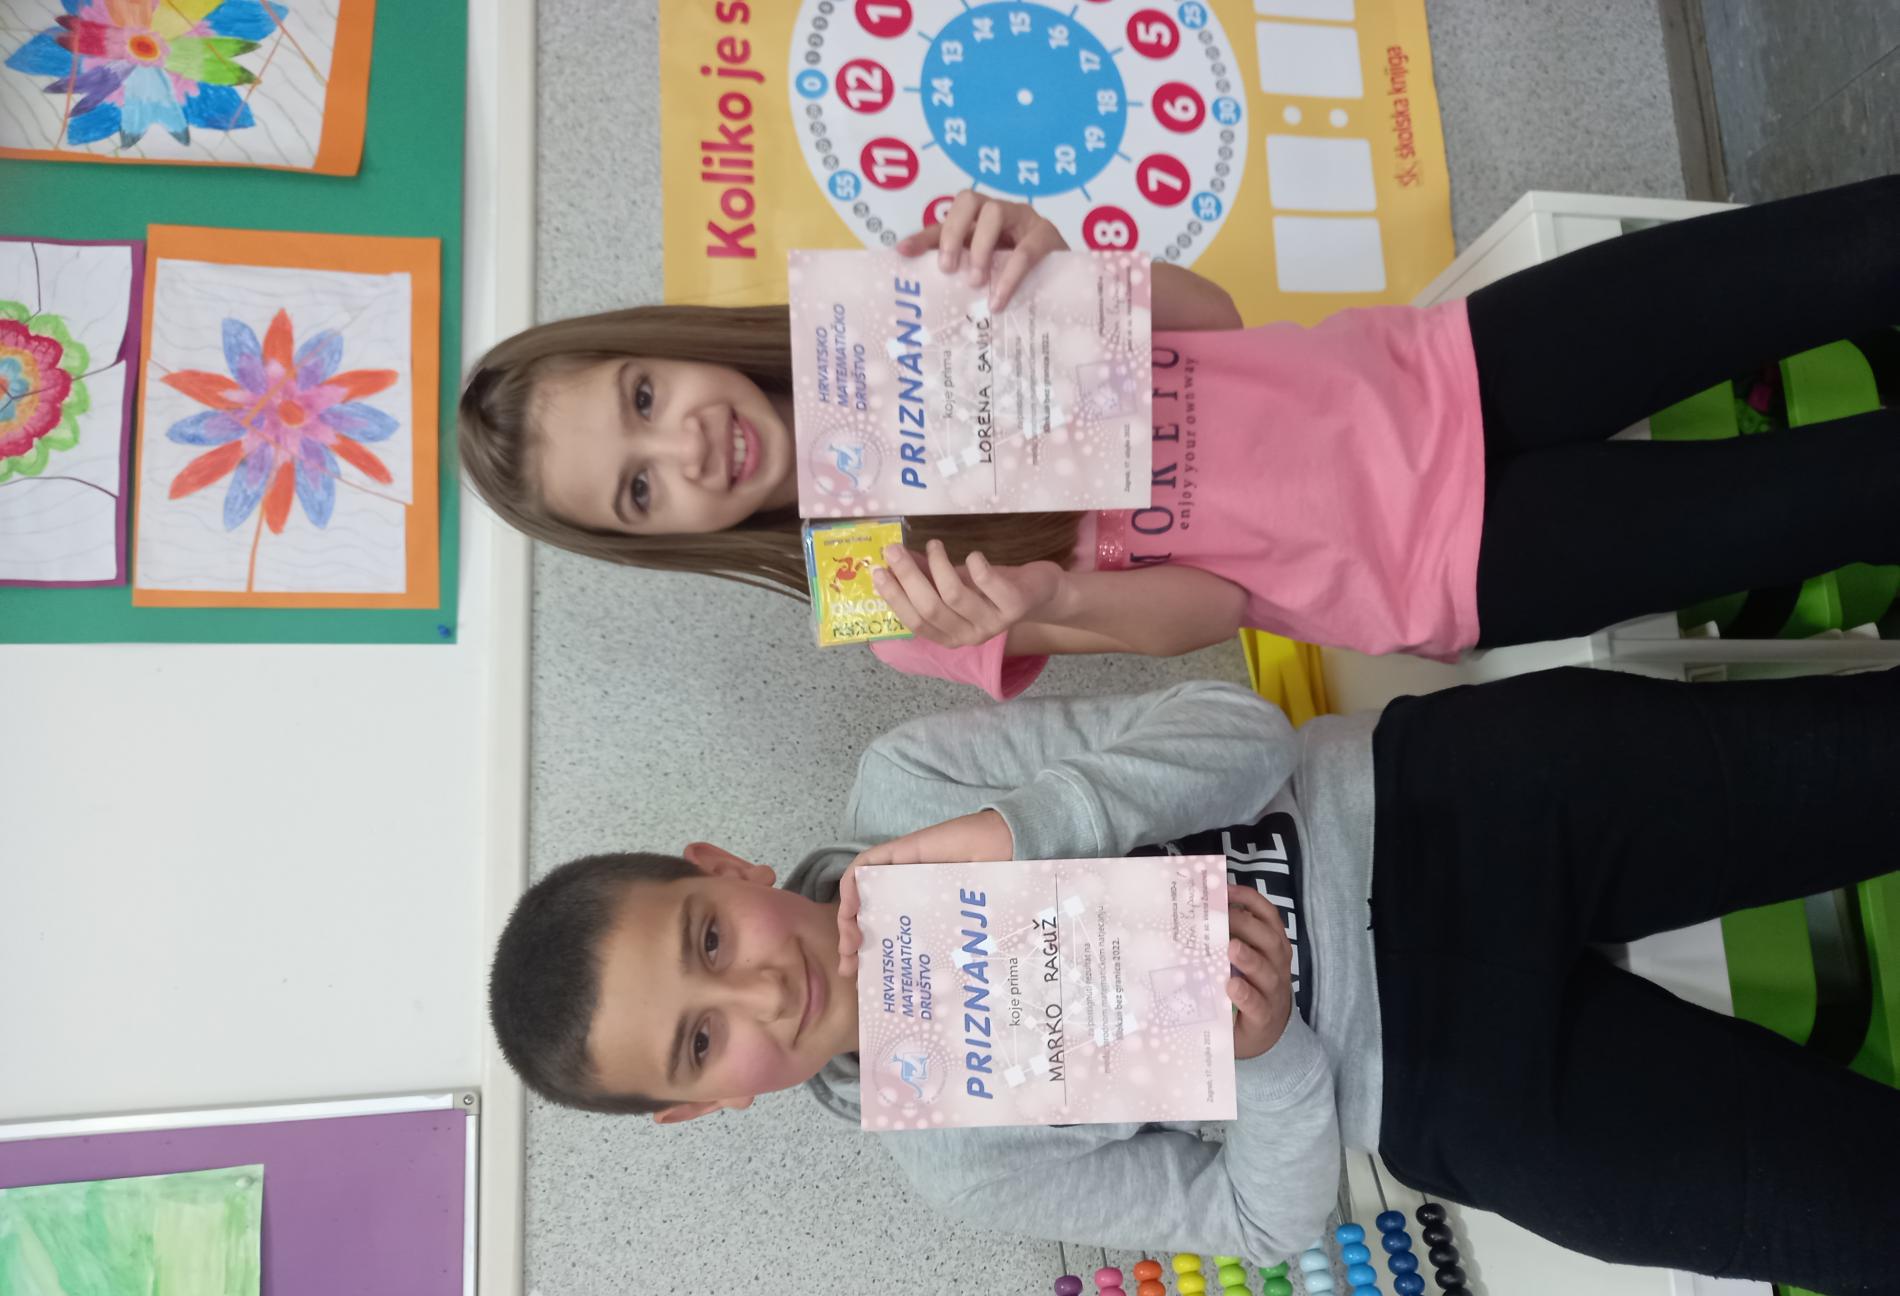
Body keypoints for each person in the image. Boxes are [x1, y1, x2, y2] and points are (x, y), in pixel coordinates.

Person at [488, 666, 1900, 1296]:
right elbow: (1261, 1222)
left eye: (709, 938)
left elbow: (1242, 727)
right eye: (699, 1043)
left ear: (723, 867)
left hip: (1456, 807)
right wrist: (1271, 1058)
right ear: (703, 1108)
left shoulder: (905, 781)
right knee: (1853, 1216)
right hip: (1456, 1090)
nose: (759, 993)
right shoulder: (955, 1164)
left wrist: (1023, 832)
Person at [460, 177, 1900, 700]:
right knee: (1845, 489)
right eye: (637, 493)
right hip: (1458, 565)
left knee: (1823, 258)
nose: (683, 449)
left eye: (640, 397)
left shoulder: (898, 299)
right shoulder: (887, 598)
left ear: (668, 347)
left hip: (1447, 364)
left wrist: (1060, 259)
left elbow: (1218, 318)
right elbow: (1212, 610)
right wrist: (1048, 594)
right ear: (666, 540)